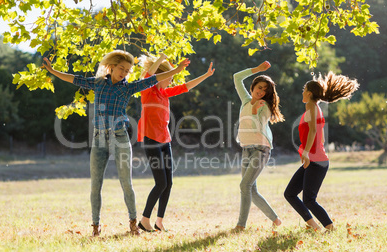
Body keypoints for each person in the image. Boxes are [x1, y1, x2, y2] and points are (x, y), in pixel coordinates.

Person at [42, 50, 190, 236]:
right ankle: (95, 225)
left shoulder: (127, 87)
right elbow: (73, 78)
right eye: (121, 68)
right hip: (98, 139)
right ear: (111, 67)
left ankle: (133, 223)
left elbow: (154, 78)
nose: (124, 73)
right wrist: (53, 71)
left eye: (127, 70)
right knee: (96, 185)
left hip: (120, 138)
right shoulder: (98, 83)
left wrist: (175, 70)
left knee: (126, 183)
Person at [136, 53, 215, 232]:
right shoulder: (148, 91)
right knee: (160, 183)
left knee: (168, 183)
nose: (171, 81)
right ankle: (144, 219)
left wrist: (206, 75)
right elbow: (150, 76)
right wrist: (162, 59)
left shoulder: (165, 93)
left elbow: (186, 86)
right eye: (169, 78)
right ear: (162, 77)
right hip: (151, 140)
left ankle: (159, 221)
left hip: (165, 141)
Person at [284, 71, 359, 231]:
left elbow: (312, 132)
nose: (302, 93)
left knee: (309, 200)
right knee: (290, 193)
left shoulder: (311, 105)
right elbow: (321, 136)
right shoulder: (315, 108)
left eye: (304, 90)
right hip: (315, 160)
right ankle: (314, 227)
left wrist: (305, 153)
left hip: (316, 161)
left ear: (309, 93)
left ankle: (330, 228)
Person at [233, 61, 284, 231]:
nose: (261, 92)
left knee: (244, 186)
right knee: (251, 190)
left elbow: (258, 125)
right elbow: (237, 77)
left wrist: (255, 110)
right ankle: (276, 220)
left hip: (261, 149)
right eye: (260, 87)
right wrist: (257, 70)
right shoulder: (246, 101)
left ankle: (241, 225)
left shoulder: (265, 106)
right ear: (253, 85)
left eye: (265, 90)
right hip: (246, 148)